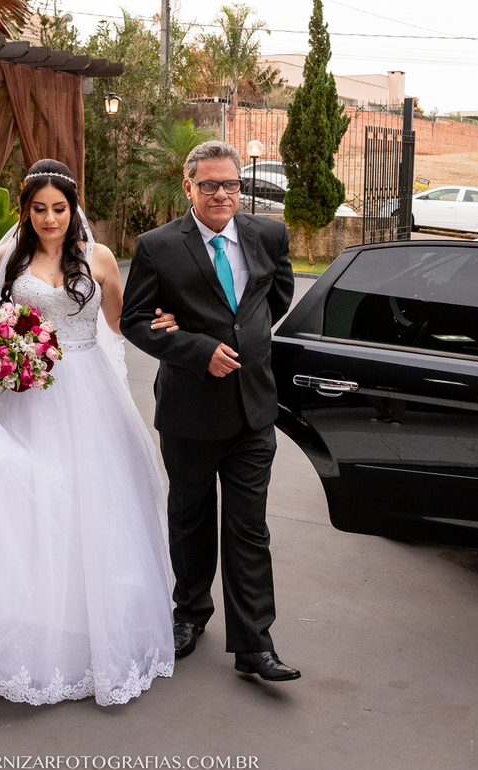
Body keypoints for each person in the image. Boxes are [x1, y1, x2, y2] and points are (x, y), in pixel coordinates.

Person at [0, 159, 176, 706]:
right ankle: (29, 613)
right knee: (33, 498)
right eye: (38, 209)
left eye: (58, 208)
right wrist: (2, 343)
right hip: (28, 390)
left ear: (72, 208)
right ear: (26, 210)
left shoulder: (99, 258)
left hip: (88, 388)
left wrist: (165, 323)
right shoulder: (11, 255)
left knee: (93, 500)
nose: (49, 219)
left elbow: (120, 322)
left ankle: (90, 624)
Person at [121, 140, 300, 682]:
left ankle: (255, 645)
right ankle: (190, 614)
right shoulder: (157, 247)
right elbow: (135, 320)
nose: (222, 194)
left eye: (231, 184)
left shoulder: (269, 235)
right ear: (189, 187)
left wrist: (243, 337)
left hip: (253, 410)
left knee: (249, 529)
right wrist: (198, 349)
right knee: (191, 521)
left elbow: (274, 298)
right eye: (210, 185)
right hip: (190, 412)